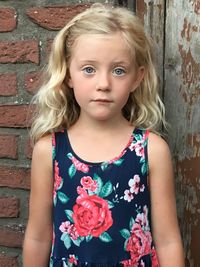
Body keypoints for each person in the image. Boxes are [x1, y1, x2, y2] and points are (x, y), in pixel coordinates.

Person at [23, 4, 185, 267]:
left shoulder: (150, 150)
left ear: (137, 78)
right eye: (89, 69)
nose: (103, 83)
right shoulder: (49, 151)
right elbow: (38, 237)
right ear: (68, 75)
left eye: (118, 70)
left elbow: (167, 240)